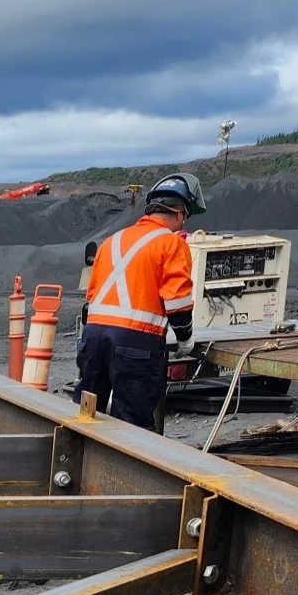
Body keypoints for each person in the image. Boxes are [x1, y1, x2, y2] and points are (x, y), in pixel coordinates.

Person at [73, 172, 200, 430]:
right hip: (136, 345)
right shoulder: (172, 243)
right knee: (133, 427)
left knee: (85, 416)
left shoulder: (112, 241)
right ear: (179, 214)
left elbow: (93, 293)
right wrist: (185, 338)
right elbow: (177, 302)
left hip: (94, 338)